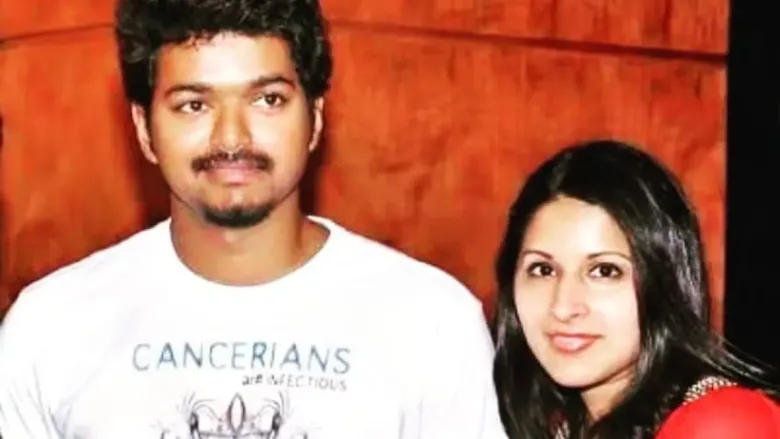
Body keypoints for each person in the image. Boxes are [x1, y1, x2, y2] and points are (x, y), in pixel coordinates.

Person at [0, 1, 507, 437]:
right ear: (144, 127)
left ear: (316, 117)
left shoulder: (432, 325)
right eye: (194, 104)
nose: (231, 137)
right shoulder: (50, 328)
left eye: (268, 100)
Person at [491, 139, 780, 438]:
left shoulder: (724, 423)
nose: (563, 307)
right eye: (543, 270)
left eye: (604, 271)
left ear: (663, 280)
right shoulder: (554, 424)